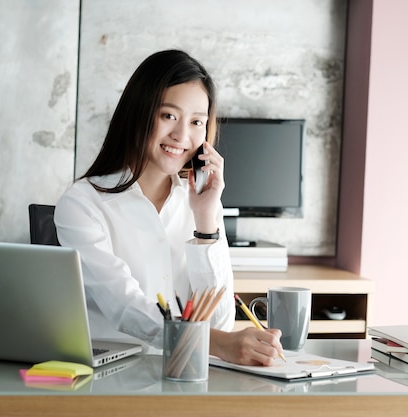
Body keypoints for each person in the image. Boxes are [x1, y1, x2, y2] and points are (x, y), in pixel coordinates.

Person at [54, 49, 283, 366]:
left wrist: (205, 220)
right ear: (140, 113)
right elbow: (123, 305)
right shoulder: (82, 203)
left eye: (196, 122)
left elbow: (219, 323)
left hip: (185, 374)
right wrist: (220, 344)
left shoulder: (200, 204)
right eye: (169, 116)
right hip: (112, 379)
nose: (182, 135)